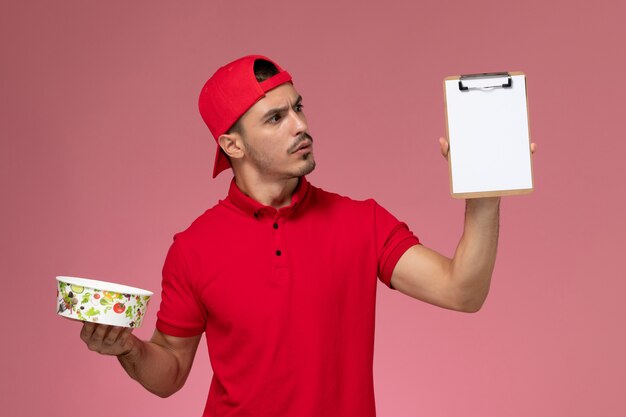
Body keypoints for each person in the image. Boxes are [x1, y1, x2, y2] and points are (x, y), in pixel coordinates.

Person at [79, 54, 536, 416]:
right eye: (275, 118)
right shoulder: (193, 249)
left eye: (298, 107)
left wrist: (484, 192)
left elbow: (463, 291)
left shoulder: (363, 222)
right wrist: (128, 349)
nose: (301, 125)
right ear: (231, 144)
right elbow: (171, 371)